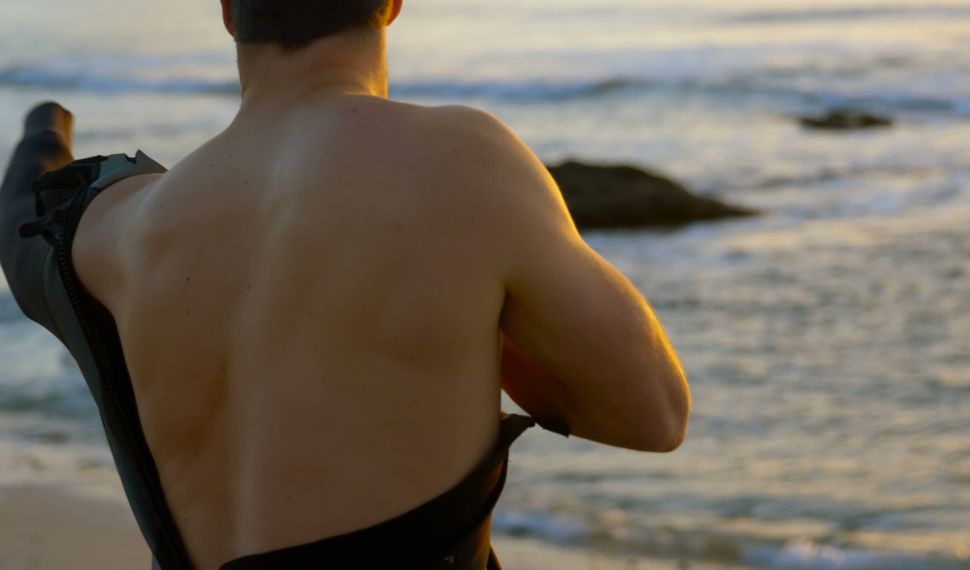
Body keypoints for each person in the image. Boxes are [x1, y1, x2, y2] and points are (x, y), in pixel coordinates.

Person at [0, 0, 691, 568]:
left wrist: (46, 125)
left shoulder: (124, 231)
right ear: (391, 6)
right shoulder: (463, 163)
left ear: (228, 14)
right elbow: (654, 413)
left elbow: (27, 217)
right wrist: (482, 322)